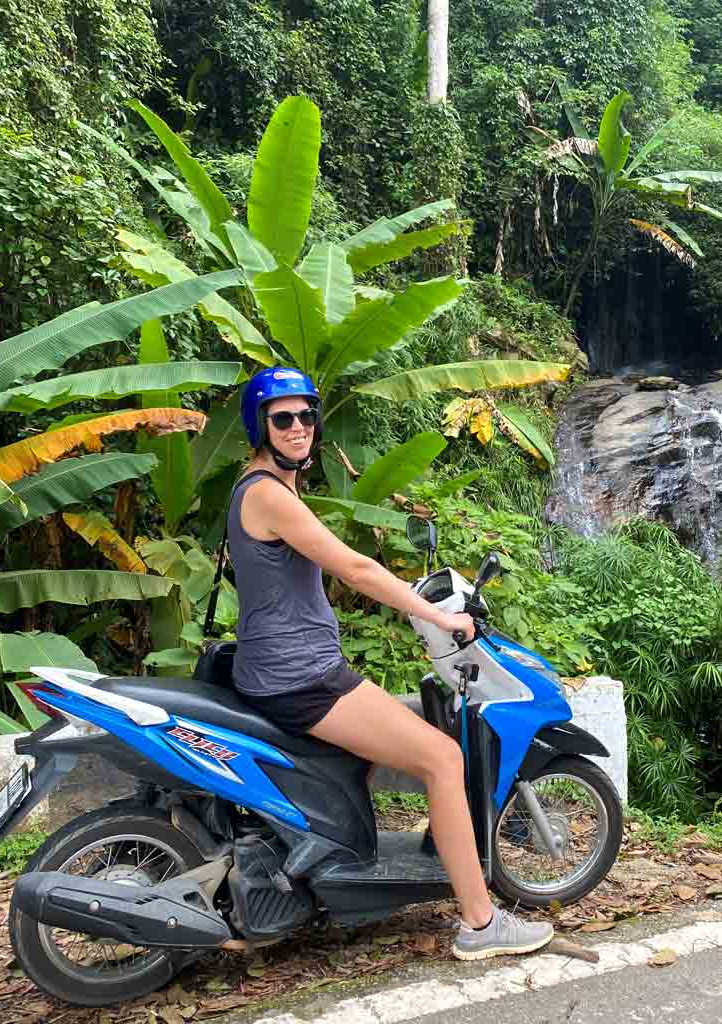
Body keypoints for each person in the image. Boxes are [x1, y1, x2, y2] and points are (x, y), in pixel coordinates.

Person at [228, 366, 554, 961]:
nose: (298, 427)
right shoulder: (270, 494)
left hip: (284, 668)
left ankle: (334, 864)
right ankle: (480, 925)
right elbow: (354, 569)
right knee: (442, 756)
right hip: (300, 678)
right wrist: (440, 618)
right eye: (283, 418)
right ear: (261, 426)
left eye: (306, 416)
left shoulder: (263, 484)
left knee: (377, 743)